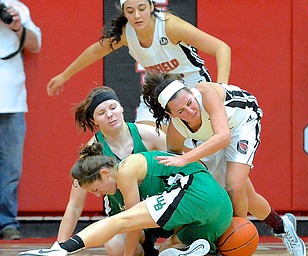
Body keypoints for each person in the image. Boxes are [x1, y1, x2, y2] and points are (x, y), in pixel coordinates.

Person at [141, 72, 307, 256]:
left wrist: (186, 159)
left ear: (191, 92)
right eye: (181, 111)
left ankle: (235, 240)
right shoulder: (176, 130)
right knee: (245, 194)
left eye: (189, 102)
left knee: (235, 187)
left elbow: (224, 136)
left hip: (241, 122)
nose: (190, 111)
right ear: (170, 114)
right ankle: (282, 225)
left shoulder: (206, 92)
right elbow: (174, 163)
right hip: (213, 136)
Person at [18, 142, 233, 256]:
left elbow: (130, 223)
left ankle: (62, 250)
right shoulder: (129, 173)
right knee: (168, 249)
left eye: (95, 189)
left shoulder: (126, 169)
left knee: (118, 221)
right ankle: (191, 253)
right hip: (220, 210)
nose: (97, 195)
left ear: (104, 173)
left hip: (196, 193)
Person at [46, 0, 231, 126]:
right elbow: (96, 50)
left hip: (191, 86)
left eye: (141, 8)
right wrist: (65, 75)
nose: (137, 15)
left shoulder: (170, 26)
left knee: (203, 145)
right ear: (124, 12)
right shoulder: (126, 33)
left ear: (151, 6)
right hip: (157, 91)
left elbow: (222, 48)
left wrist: (221, 89)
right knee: (144, 138)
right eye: (130, 11)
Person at [58, 86, 170, 255]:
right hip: (127, 219)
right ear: (94, 120)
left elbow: (184, 170)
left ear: (121, 107)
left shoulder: (151, 135)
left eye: (113, 107)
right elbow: (74, 206)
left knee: (176, 249)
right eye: (101, 112)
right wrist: (58, 248)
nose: (109, 114)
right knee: (113, 244)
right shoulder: (90, 155)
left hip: (165, 212)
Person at [0, 0, 41, 240]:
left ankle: (7, 222)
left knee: (10, 168)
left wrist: (16, 26)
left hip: (11, 102)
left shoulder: (16, 7)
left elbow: (35, 45)